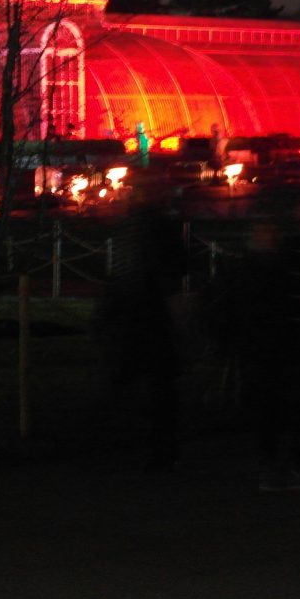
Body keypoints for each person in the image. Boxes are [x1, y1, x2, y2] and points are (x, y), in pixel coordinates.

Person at [215, 194, 300, 491]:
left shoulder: (291, 255)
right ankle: (289, 463)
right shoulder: (282, 256)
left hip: (299, 337)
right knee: (286, 402)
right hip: (282, 339)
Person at [99, 178, 189, 472]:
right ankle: (157, 449)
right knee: (156, 387)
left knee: (137, 383)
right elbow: (178, 266)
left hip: (140, 312)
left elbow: (122, 272)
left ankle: (136, 447)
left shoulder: (135, 226)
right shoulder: (154, 226)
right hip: (148, 313)